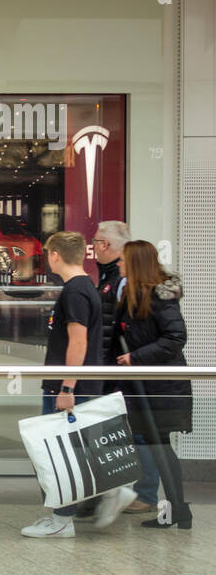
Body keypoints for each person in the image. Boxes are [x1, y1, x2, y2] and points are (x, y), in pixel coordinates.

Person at [21, 230, 136, 538]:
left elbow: (78, 342)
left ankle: (62, 519)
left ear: (55, 255)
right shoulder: (87, 288)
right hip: (83, 383)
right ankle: (112, 490)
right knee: (79, 447)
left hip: (73, 386)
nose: (47, 259)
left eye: (47, 254)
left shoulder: (75, 291)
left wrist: (66, 387)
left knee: (59, 453)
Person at [82, 220, 160, 517]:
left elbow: (124, 329)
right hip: (114, 367)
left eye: (96, 241)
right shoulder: (110, 278)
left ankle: (145, 492)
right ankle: (121, 491)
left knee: (138, 432)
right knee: (125, 431)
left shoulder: (122, 281)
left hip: (122, 369)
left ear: (105, 245)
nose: (93, 246)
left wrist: (120, 360)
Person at [115, 240, 193, 530]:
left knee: (161, 447)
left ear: (135, 263)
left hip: (162, 386)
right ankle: (177, 511)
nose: (119, 264)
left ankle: (178, 511)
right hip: (147, 385)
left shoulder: (160, 297)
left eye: (123, 260)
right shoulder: (135, 293)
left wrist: (135, 357)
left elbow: (175, 338)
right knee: (160, 447)